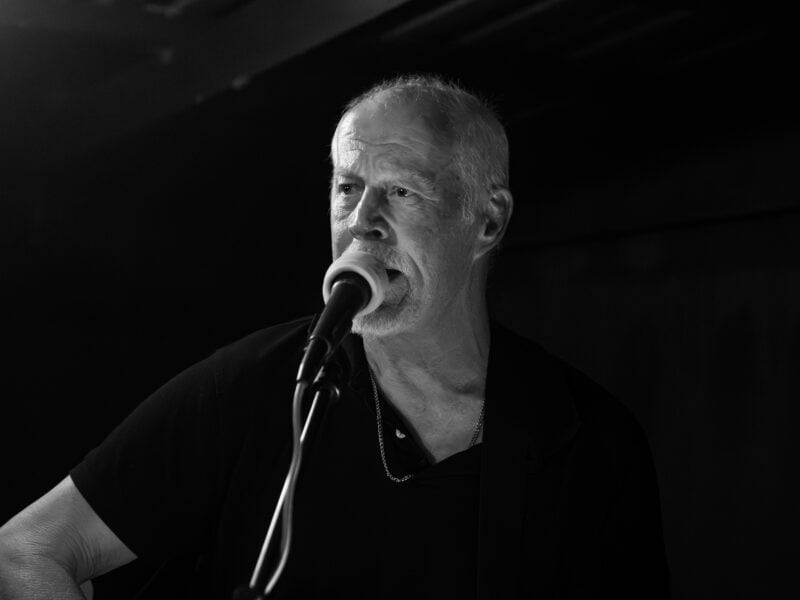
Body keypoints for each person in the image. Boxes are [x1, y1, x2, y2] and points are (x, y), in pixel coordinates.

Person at [0, 75, 670, 599]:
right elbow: (25, 549)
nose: (363, 224)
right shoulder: (257, 384)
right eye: (349, 190)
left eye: (402, 193)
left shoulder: (587, 438)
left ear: (487, 221)